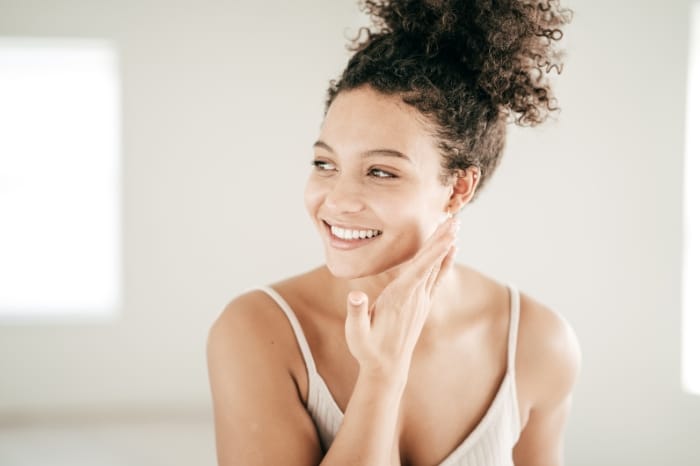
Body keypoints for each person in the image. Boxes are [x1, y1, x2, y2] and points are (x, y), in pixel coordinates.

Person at [207, 0, 580, 465]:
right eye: (326, 163)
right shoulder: (257, 332)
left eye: (381, 172)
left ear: (457, 188)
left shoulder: (538, 344)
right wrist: (383, 373)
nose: (337, 200)